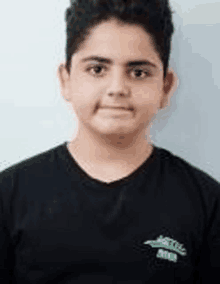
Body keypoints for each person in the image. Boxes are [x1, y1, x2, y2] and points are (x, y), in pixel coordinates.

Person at [0, 0, 220, 283]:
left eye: (138, 72)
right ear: (66, 79)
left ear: (165, 87)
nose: (117, 88)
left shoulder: (207, 204)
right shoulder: (9, 197)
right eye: (97, 69)